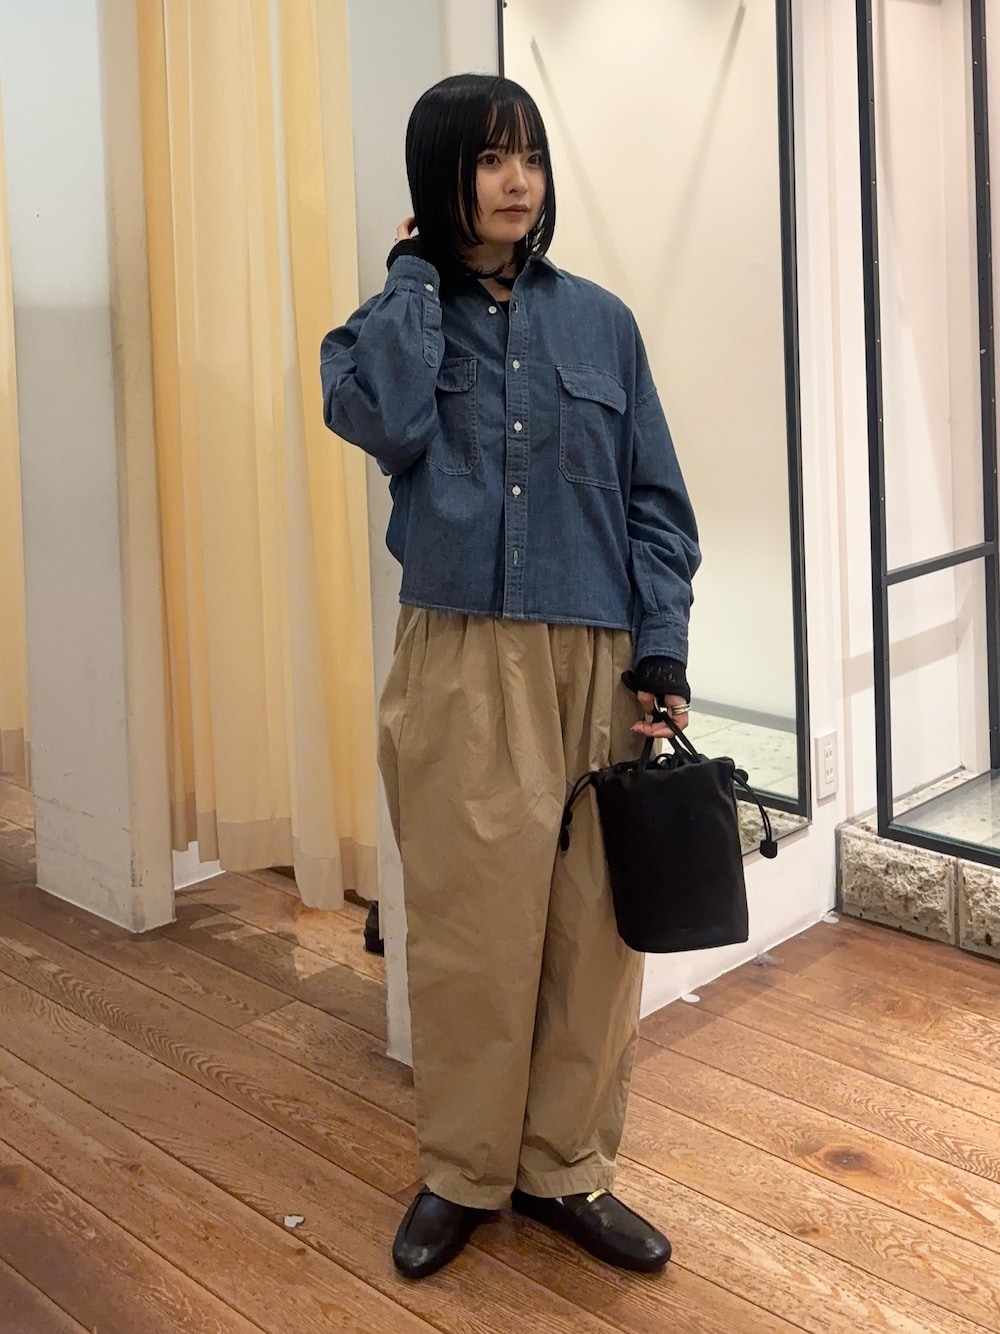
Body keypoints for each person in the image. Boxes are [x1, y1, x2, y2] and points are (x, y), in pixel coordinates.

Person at [320, 73, 700, 1281]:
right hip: (463, 656)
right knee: (472, 931)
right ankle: (463, 1171)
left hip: (596, 659)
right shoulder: (392, 323)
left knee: (594, 935)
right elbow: (380, 420)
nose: (516, 179)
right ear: (441, 175)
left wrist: (661, 645)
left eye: (528, 155)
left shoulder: (603, 324)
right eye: (488, 158)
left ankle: (566, 1166)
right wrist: (409, 279)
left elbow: (656, 503)